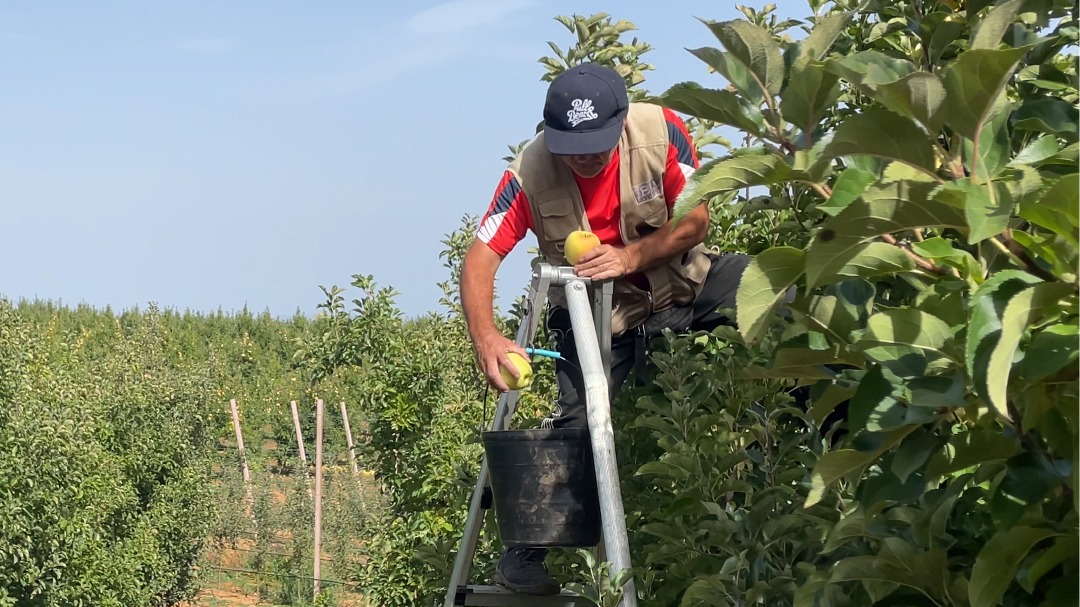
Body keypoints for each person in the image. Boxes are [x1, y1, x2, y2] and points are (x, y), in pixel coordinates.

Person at [460, 62, 750, 596]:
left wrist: (630, 256)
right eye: (572, 145)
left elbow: (695, 221)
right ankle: (524, 554)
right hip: (592, 316)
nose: (586, 156)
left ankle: (833, 429)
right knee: (580, 424)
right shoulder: (527, 171)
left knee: (776, 294)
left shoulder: (662, 131)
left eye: (597, 141)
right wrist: (487, 338)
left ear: (621, 120)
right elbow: (480, 256)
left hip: (682, 285)